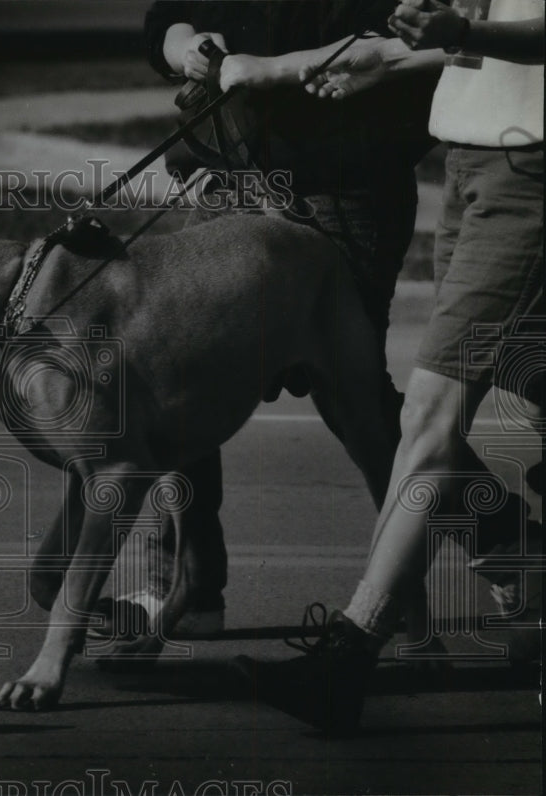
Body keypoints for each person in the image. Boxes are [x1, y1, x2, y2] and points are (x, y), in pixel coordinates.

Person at [236, 0, 544, 734]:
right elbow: (475, 44)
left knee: (430, 414)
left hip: (528, 175)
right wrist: (393, 56)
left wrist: (461, 32)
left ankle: (349, 655)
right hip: (471, 162)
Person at [94, 0, 443, 647]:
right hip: (232, 180)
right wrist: (185, 46)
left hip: (341, 189)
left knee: (354, 399)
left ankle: (497, 547)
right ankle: (190, 584)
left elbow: (403, 50)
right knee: (181, 377)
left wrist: (271, 70)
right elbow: (169, 15)